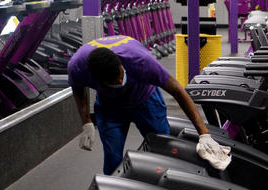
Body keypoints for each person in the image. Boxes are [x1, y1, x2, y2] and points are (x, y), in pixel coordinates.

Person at [68, 35, 230, 174]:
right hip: (110, 107)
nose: (120, 81)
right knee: (113, 158)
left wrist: (204, 134)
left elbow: (178, 91)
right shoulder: (78, 67)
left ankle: (167, 184)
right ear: (98, 80)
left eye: (121, 76)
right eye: (115, 82)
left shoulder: (141, 62)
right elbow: (78, 89)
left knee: (163, 148)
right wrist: (87, 122)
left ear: (121, 65)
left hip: (145, 100)